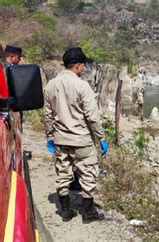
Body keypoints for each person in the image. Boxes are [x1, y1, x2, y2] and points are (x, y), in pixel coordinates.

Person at [43, 47, 108, 224]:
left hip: (60, 139)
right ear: (78, 65)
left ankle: (65, 210)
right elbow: (92, 117)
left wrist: (50, 136)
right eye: (83, 65)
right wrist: (101, 138)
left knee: (63, 172)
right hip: (81, 140)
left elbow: (47, 114)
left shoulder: (51, 85)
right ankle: (88, 213)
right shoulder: (82, 86)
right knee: (88, 174)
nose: (84, 69)